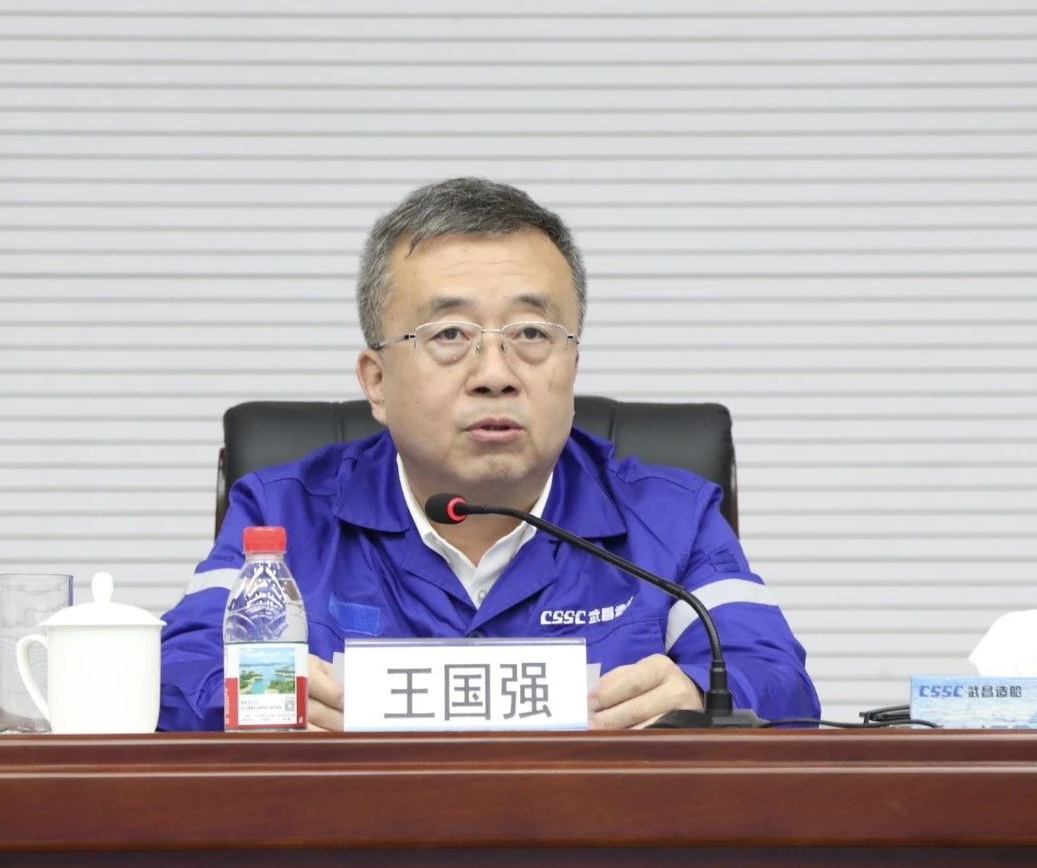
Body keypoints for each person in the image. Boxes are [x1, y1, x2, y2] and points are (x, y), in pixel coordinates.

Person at [159, 177, 820, 731]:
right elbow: (174, 676)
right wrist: (267, 699)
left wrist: (703, 696)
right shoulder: (281, 517)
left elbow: (778, 679)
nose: (495, 373)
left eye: (531, 332)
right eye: (450, 334)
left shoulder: (672, 519)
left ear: (572, 364)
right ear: (377, 381)